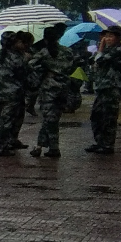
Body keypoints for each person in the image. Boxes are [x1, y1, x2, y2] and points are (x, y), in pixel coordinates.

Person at [28, 24, 76, 160]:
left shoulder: (44, 52)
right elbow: (72, 66)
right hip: (63, 88)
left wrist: (44, 70)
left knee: (50, 119)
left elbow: (31, 64)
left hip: (49, 88)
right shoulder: (67, 51)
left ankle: (54, 147)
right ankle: (39, 146)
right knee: (53, 118)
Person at [84, 28, 121, 153]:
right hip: (102, 87)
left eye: (111, 36)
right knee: (96, 116)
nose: (107, 39)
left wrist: (100, 48)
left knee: (109, 118)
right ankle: (99, 142)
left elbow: (100, 60)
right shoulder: (107, 50)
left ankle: (108, 145)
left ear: (118, 38)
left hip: (112, 87)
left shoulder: (120, 50)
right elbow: (92, 61)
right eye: (106, 36)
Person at [0, 31, 33, 154]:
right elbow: (25, 73)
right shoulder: (18, 57)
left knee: (1, 119)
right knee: (8, 120)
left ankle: (3, 142)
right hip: (13, 93)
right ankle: (2, 146)